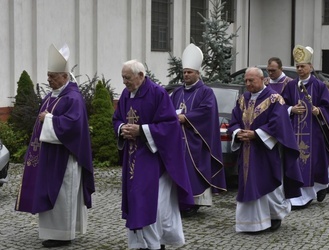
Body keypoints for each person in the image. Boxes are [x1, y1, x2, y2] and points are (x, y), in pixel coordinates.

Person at [15, 44, 95, 248]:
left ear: (64, 76)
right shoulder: (51, 96)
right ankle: (52, 232)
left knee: (62, 194)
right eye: (48, 75)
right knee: (50, 192)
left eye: (52, 76)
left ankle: (64, 234)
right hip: (48, 156)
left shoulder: (73, 98)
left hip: (65, 157)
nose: (49, 79)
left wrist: (49, 119)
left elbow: (73, 126)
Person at [113, 59, 194, 250]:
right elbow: (116, 118)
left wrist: (141, 131)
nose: (124, 82)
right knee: (136, 199)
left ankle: (156, 244)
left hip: (153, 159)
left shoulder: (157, 93)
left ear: (141, 76)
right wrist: (122, 128)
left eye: (128, 78)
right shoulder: (126, 94)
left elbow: (170, 125)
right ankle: (141, 243)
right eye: (123, 78)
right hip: (133, 156)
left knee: (153, 204)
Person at [228, 67, 303, 233]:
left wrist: (256, 134)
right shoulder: (242, 99)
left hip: (266, 151)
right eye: (246, 80)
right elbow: (233, 120)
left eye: (251, 80)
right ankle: (250, 223)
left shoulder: (275, 99)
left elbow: (279, 124)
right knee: (248, 184)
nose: (248, 84)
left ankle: (274, 215)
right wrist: (237, 132)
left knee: (269, 184)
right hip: (247, 151)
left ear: (262, 80)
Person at [170, 43, 226, 217]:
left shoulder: (206, 92)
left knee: (192, 172)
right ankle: (179, 201)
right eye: (184, 72)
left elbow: (206, 111)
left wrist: (186, 118)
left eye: (190, 72)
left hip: (196, 140)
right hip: (177, 140)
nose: (186, 75)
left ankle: (193, 203)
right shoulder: (177, 92)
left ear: (197, 74)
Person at [281, 45, 329, 209]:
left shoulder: (319, 86)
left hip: (313, 134)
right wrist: (290, 109)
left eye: (303, 66)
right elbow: (281, 105)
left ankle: (309, 194)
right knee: (294, 162)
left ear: (310, 67)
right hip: (294, 132)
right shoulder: (291, 86)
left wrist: (319, 110)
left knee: (312, 163)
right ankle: (296, 196)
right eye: (298, 66)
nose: (300, 69)